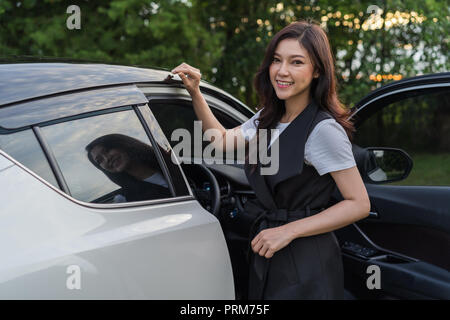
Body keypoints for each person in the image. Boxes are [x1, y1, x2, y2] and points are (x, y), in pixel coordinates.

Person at [170, 20, 370, 300]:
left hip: (307, 259)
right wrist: (195, 93)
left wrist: (288, 231)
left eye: (296, 62)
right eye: (277, 60)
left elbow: (359, 204)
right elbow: (221, 140)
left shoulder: (323, 130)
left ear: (317, 72)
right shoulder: (269, 117)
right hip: (269, 247)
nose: (282, 71)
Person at [86, 134, 171, 202]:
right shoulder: (126, 200)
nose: (107, 159)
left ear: (123, 145)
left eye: (107, 150)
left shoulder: (172, 161)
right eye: (99, 160)